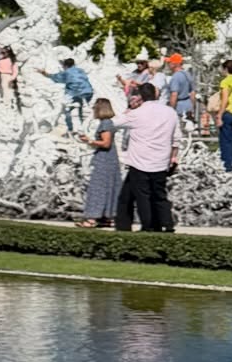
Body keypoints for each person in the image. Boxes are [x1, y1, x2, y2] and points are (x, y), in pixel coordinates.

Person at [114, 84, 180, 233]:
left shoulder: (137, 113)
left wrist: (130, 109)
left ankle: (149, 226)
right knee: (159, 194)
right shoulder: (170, 112)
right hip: (161, 160)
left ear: (141, 97)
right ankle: (167, 224)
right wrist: (173, 157)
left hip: (140, 161)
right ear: (156, 95)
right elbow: (176, 139)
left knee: (143, 196)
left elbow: (115, 123)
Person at [77, 98, 122, 227]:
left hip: (105, 159)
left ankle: (92, 218)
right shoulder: (108, 123)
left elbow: (106, 143)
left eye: (94, 108)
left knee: (98, 187)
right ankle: (107, 217)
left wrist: (90, 141)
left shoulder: (105, 124)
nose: (93, 110)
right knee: (109, 186)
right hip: (109, 158)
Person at [36, 57, 94, 129]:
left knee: (63, 107)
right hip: (88, 92)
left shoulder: (66, 72)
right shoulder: (81, 70)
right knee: (80, 108)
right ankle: (81, 122)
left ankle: (69, 128)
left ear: (65, 66)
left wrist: (44, 73)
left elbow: (55, 77)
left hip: (75, 93)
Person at [163, 53, 195, 125]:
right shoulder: (187, 74)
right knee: (188, 130)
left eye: (169, 62)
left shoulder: (175, 77)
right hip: (188, 106)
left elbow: (174, 94)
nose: (168, 64)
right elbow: (193, 92)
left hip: (179, 107)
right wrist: (192, 106)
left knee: (178, 131)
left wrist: (171, 110)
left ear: (175, 64)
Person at [0, 44, 21, 109]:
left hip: (8, 75)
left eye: (5, 52)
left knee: (7, 89)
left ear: (9, 52)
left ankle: (8, 103)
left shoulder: (12, 60)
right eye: (3, 52)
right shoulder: (2, 58)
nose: (3, 53)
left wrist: (12, 78)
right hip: (2, 74)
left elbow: (15, 71)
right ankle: (5, 100)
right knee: (3, 88)